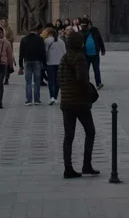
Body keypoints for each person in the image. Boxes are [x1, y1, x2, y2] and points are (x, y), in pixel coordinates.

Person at [59, 32, 98, 178]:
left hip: (66, 103)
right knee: (90, 132)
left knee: (69, 136)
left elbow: (59, 80)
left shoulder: (64, 57)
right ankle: (86, 164)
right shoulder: (79, 57)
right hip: (80, 103)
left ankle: (68, 168)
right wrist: (91, 92)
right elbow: (82, 80)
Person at [19, 23, 46, 106]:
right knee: (37, 81)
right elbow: (42, 52)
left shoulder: (24, 39)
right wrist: (43, 62)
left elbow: (21, 53)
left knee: (28, 81)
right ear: (36, 31)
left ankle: (29, 100)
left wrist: (21, 66)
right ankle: (37, 100)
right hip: (37, 61)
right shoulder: (40, 39)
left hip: (27, 61)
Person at [45, 24, 66, 105]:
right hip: (59, 63)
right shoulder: (61, 41)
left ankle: (52, 97)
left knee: (51, 81)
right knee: (58, 81)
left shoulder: (47, 41)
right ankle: (56, 97)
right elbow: (64, 53)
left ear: (49, 34)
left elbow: (45, 52)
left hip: (50, 63)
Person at [81, 21, 106, 89]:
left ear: (90, 25)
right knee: (86, 70)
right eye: (85, 26)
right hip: (86, 55)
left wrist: (103, 50)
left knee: (96, 69)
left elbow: (100, 40)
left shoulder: (95, 30)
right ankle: (86, 84)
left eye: (87, 25)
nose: (86, 27)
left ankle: (98, 83)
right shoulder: (82, 31)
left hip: (95, 54)